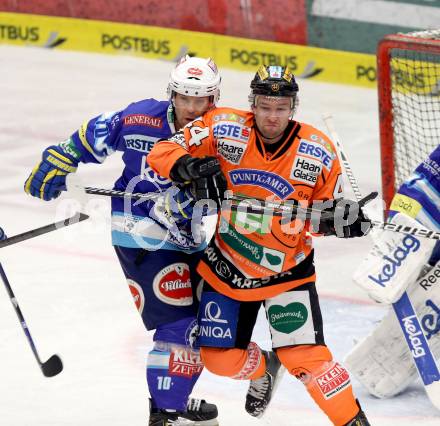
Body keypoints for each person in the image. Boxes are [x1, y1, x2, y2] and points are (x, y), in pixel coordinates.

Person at [148, 65, 372, 425]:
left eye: (281, 107)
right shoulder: (222, 127)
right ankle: (264, 367)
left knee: (307, 358)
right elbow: (162, 152)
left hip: (288, 273)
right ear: (252, 103)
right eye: (265, 106)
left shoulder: (318, 151)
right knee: (219, 360)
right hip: (227, 270)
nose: (272, 115)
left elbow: (325, 214)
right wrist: (187, 167)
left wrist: (343, 221)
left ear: (293, 108)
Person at [24, 56, 221, 426]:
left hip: (189, 233)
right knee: (179, 323)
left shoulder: (224, 134)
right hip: (139, 228)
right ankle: (165, 413)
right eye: (184, 98)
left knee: (207, 324)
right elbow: (90, 136)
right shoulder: (140, 119)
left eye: (202, 100)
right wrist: (61, 157)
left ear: (215, 99)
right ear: (172, 94)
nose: (192, 109)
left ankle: (176, 395)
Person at [346, 145, 440, 399]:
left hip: (417, 207)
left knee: (422, 291)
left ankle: (404, 336)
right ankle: (392, 340)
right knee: (393, 285)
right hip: (418, 213)